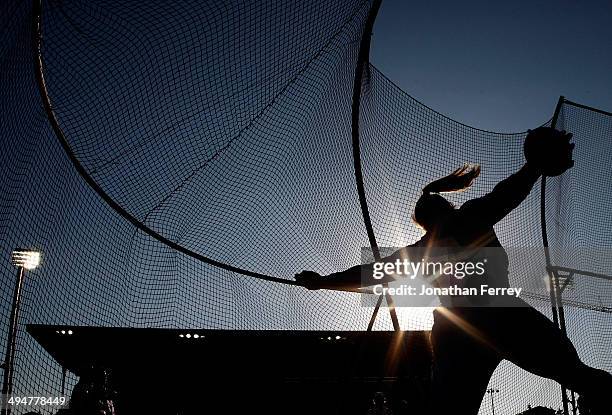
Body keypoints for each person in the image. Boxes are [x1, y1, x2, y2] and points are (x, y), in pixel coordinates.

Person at [295, 128, 611, 414]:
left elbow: (368, 273)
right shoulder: (461, 223)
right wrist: (534, 167)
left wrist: (322, 282)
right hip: (491, 318)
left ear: (424, 221)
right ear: (446, 208)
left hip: (463, 325)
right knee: (576, 374)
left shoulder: (423, 249)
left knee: (456, 410)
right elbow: (506, 194)